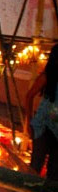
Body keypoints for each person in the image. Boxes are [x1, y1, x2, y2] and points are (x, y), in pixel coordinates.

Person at [25, 43, 58, 180]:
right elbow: (29, 96)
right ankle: (28, 191)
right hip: (43, 125)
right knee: (36, 165)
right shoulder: (47, 76)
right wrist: (29, 121)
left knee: (55, 170)